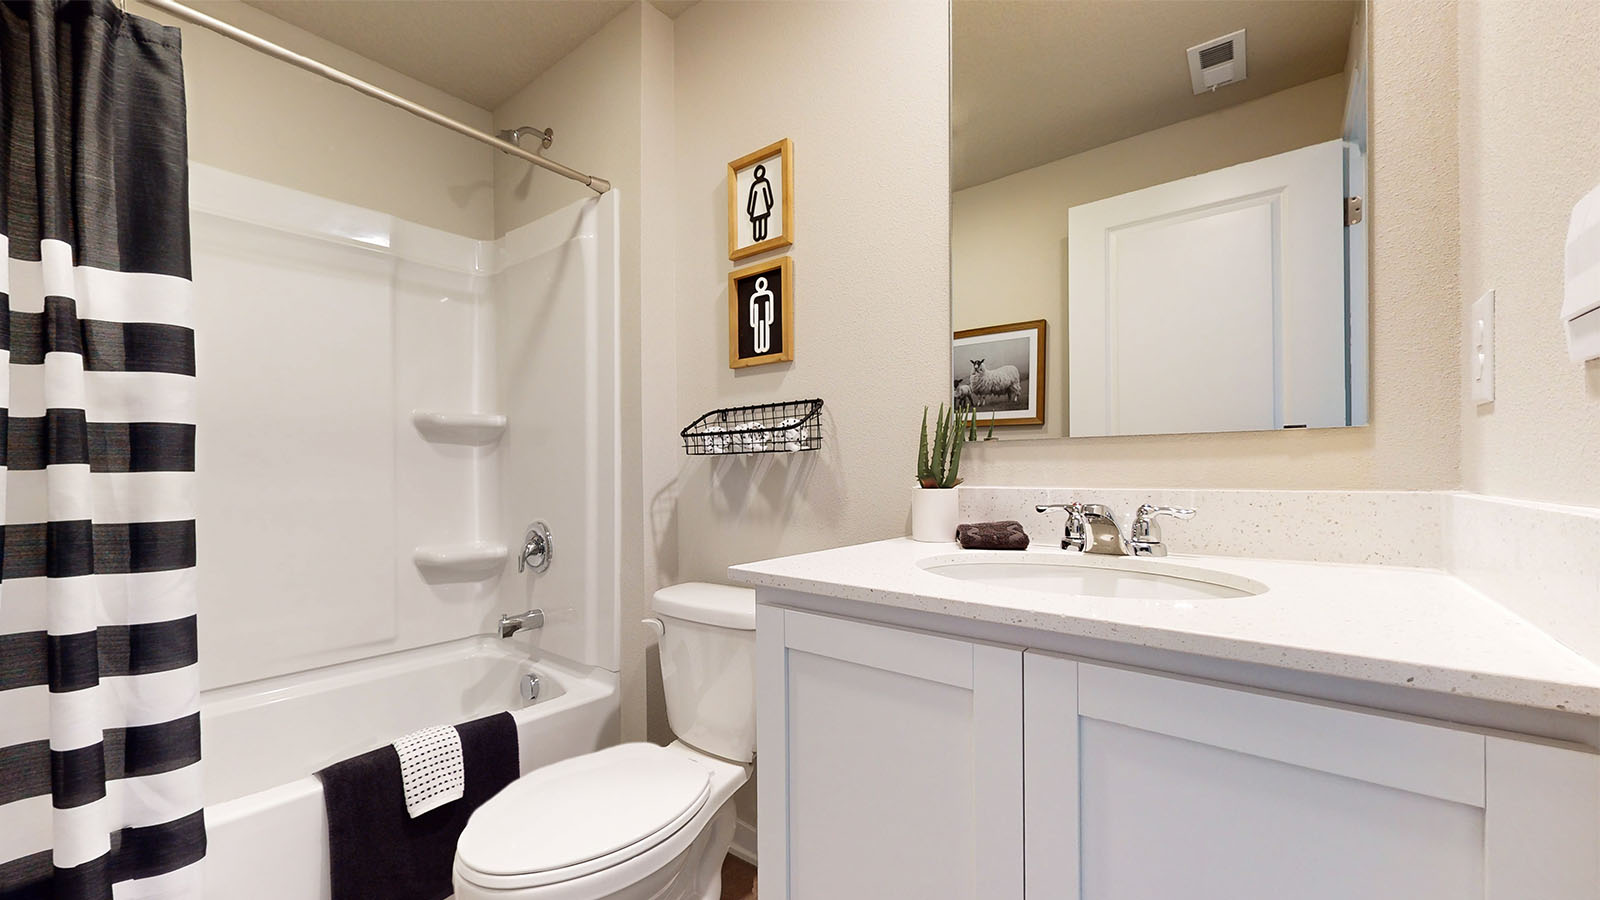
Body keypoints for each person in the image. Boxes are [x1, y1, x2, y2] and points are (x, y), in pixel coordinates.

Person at [746, 163, 774, 242]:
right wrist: (750, 211)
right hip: (758, 208)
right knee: (758, 222)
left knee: (762, 221)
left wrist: (768, 205)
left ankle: (761, 235)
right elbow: (751, 198)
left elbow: (768, 196)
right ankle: (758, 236)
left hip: (761, 207)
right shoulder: (757, 185)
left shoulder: (763, 183)